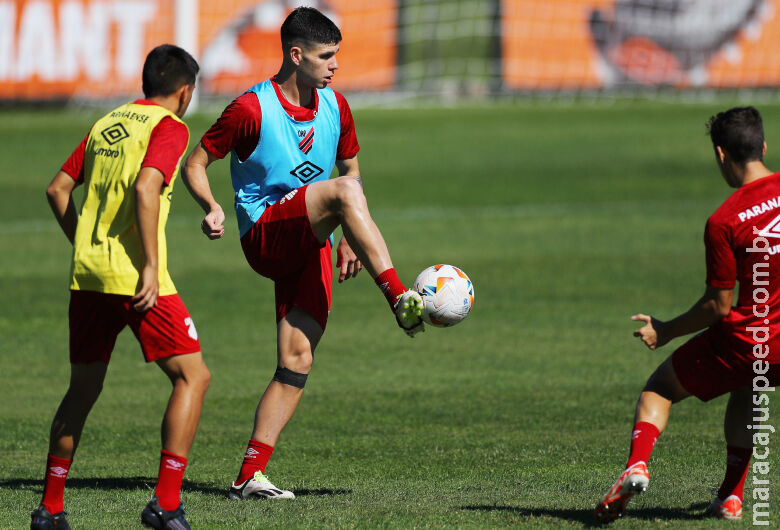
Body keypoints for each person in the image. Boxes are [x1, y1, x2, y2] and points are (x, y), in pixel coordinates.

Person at [181, 7, 424, 500]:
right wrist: (209, 206)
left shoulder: (336, 105)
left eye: (337, 54)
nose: (335, 65)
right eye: (325, 55)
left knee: (297, 360)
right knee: (341, 193)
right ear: (296, 55)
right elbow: (197, 160)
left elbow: (350, 173)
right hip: (266, 237)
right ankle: (399, 297)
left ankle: (249, 476)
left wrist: (350, 236)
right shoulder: (251, 109)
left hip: (310, 238)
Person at [33, 44, 210, 530]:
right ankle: (166, 504)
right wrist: (151, 267)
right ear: (184, 92)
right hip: (136, 278)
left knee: (82, 390)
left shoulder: (106, 124)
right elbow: (147, 186)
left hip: (88, 276)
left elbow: (57, 189)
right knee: (193, 377)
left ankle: (49, 510)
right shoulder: (170, 127)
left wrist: (86, 243)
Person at [594, 106, 780, 523]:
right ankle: (731, 497)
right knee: (750, 386)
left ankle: (636, 466)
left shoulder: (725, 221)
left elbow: (719, 306)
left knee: (659, 388)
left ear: (720, 155)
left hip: (748, 342)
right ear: (763, 146)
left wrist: (666, 329)